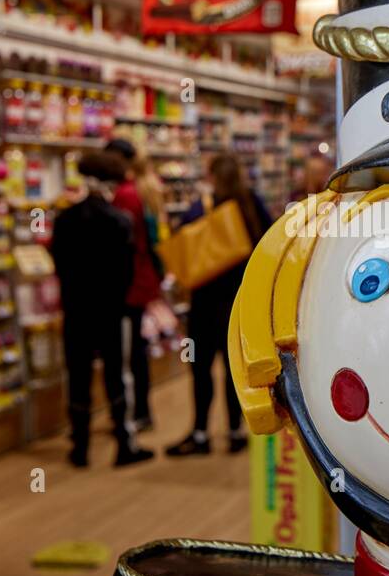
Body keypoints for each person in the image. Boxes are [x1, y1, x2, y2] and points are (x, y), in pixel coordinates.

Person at [49, 151, 153, 468]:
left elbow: (60, 265)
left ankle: (80, 446)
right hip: (111, 310)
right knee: (116, 376)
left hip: (76, 309)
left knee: (78, 375)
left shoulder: (64, 220)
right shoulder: (119, 222)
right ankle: (124, 443)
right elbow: (125, 271)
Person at [166, 153, 271, 457]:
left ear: (211, 176)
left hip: (204, 303)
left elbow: (183, 241)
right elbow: (267, 242)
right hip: (238, 302)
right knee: (233, 369)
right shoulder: (251, 203)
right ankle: (235, 430)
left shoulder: (201, 207)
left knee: (200, 370)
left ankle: (199, 432)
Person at [105, 139, 165, 433]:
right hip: (143, 279)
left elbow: (120, 244)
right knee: (137, 348)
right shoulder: (146, 188)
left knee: (128, 352)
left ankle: (134, 412)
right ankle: (141, 409)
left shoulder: (125, 195)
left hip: (129, 282)